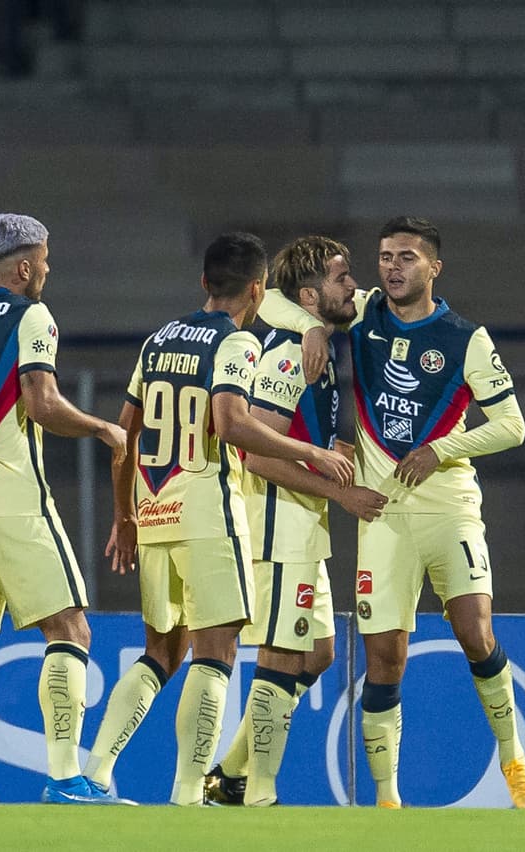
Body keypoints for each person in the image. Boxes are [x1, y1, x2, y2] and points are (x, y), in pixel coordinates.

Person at [258, 216, 525, 808]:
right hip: (381, 514)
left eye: (407, 257)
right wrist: (312, 325)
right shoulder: (361, 314)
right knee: (384, 658)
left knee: (474, 630)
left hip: (449, 507)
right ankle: (388, 801)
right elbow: (275, 299)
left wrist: (442, 448)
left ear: (434, 267)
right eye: (385, 256)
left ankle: (514, 760)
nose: (392, 266)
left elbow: (512, 425)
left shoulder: (468, 338)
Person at [85, 233, 354, 805]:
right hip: (207, 510)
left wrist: (124, 514)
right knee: (216, 651)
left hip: (155, 509)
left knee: (161, 651)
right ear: (257, 290)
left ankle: (95, 773)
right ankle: (189, 795)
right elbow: (232, 425)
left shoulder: (157, 341)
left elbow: (124, 432)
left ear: (204, 283)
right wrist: (314, 453)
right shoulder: (236, 345)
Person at [0, 213, 130, 805]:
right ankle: (65, 778)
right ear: (21, 266)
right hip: (12, 493)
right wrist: (100, 429)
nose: (46, 269)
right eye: (43, 260)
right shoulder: (30, 315)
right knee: (69, 628)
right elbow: (40, 402)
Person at [203, 236, 388, 806]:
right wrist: (343, 494)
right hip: (277, 523)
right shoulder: (289, 352)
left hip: (302, 529)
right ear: (309, 294)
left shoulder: (318, 345)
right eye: (340, 277)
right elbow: (259, 453)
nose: (352, 285)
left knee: (318, 655)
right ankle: (259, 793)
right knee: (282, 653)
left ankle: (230, 775)